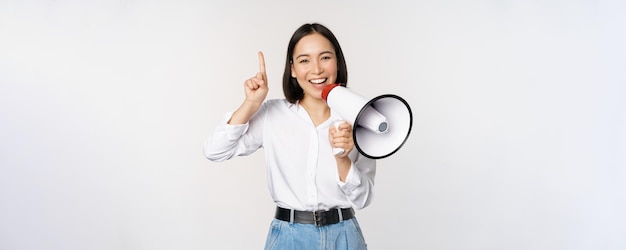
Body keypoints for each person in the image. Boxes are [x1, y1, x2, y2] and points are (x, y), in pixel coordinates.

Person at [204, 23, 376, 250]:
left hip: (344, 237)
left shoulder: (360, 118)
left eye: (325, 57)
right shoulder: (272, 115)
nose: (317, 69)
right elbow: (215, 150)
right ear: (293, 69)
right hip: (289, 238)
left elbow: (363, 199)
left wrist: (343, 159)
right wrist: (251, 103)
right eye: (305, 60)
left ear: (337, 62)